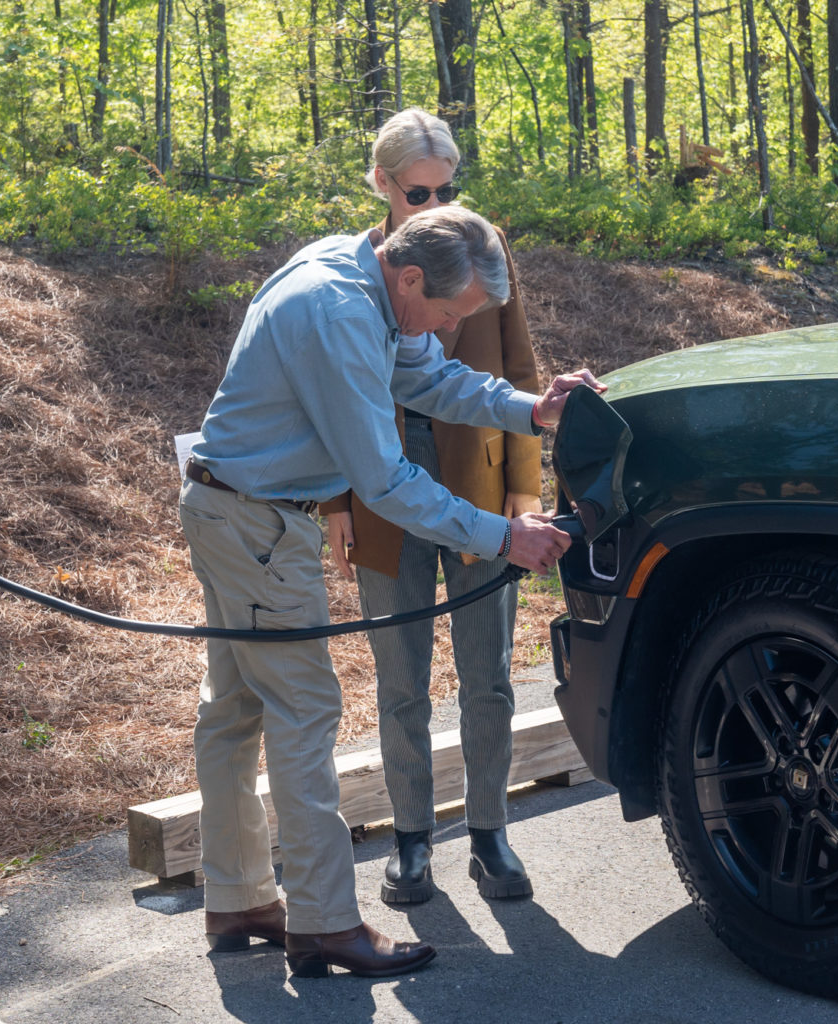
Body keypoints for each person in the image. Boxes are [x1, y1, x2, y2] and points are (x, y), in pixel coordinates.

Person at [181, 204, 601, 978]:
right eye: (448, 313)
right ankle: (324, 922)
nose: (449, 328)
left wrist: (530, 410)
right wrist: (502, 535)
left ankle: (238, 898)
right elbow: (385, 481)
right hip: (258, 525)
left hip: (233, 509)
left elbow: (428, 377)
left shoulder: (360, 273)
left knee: (235, 710)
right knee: (304, 712)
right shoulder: (339, 315)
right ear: (410, 277)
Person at [321, 108, 542, 906]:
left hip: (479, 482)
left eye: (449, 188)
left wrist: (524, 486)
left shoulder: (484, 245)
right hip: (380, 493)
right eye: (421, 192)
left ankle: (490, 832)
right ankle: (412, 840)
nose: (440, 202)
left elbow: (518, 366)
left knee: (489, 675)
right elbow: (327, 399)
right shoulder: (357, 272)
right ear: (383, 184)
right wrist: (335, 503)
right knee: (401, 678)